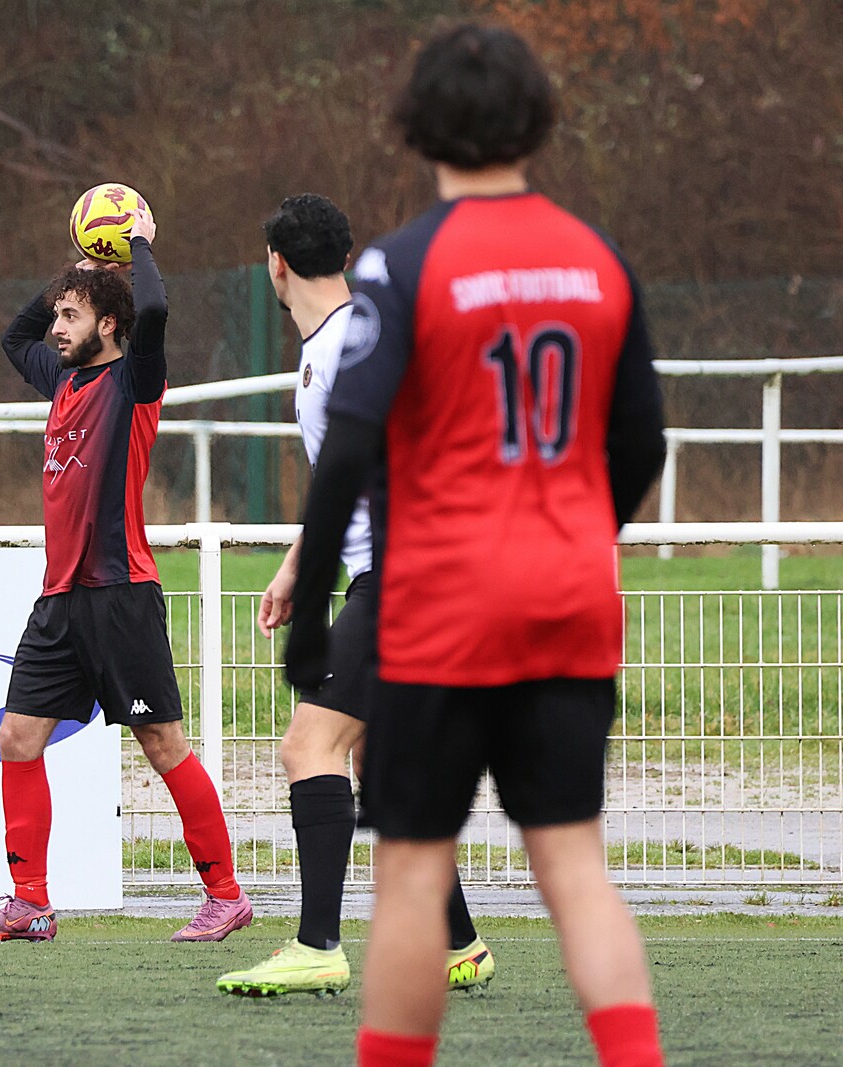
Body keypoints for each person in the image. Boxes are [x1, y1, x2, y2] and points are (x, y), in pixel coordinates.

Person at [282, 24, 667, 1067]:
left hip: (438, 606)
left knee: (412, 873)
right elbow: (642, 443)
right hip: (568, 602)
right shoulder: (598, 260)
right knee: (575, 867)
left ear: (416, 127)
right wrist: (573, 534)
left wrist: (310, 610)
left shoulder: (400, 265)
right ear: (538, 119)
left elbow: (349, 448)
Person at [216, 194, 491, 999]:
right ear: (342, 256)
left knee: (309, 746)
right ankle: (460, 943)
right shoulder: (341, 343)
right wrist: (297, 566)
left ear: (275, 264)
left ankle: (317, 944)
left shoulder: (349, 345)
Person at [0, 208, 252, 944]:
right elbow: (14, 338)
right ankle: (30, 903)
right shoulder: (61, 378)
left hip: (121, 595)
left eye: (72, 315)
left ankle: (226, 895)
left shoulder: (134, 379)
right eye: (58, 314)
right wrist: (79, 271)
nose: (56, 328)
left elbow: (154, 307)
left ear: (111, 325)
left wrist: (138, 242)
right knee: (17, 738)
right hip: (59, 601)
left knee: (163, 745)